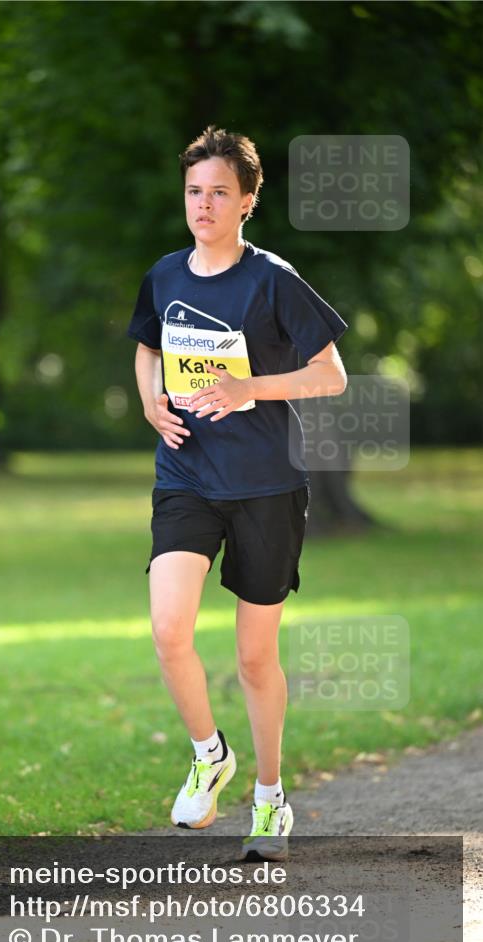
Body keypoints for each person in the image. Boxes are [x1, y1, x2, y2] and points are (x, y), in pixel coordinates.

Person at [125, 124, 348, 860]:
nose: (204, 204)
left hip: (265, 484)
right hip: (187, 474)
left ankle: (268, 798)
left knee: (255, 659)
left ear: (247, 201)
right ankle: (206, 752)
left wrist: (248, 385)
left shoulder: (271, 278)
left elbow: (330, 376)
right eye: (194, 190)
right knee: (168, 629)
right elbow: (147, 346)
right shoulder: (163, 274)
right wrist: (151, 401)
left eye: (220, 191)